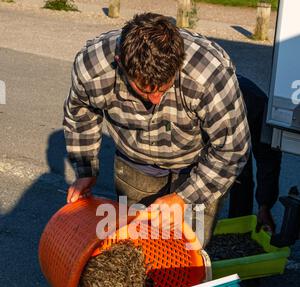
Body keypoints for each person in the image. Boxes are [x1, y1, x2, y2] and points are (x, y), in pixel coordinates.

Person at [64, 12, 251, 247]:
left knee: (187, 252)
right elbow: (80, 114)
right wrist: (85, 171)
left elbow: (233, 149)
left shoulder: (210, 74)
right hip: (135, 165)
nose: (154, 99)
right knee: (137, 249)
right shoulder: (92, 68)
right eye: (143, 89)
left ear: (179, 63)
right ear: (121, 63)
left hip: (199, 170)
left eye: (163, 88)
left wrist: (185, 198)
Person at [230, 75, 282, 233]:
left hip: (254, 107)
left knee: (240, 173)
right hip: (223, 114)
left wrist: (264, 206)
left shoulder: (259, 106)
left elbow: (268, 161)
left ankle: (239, 227)